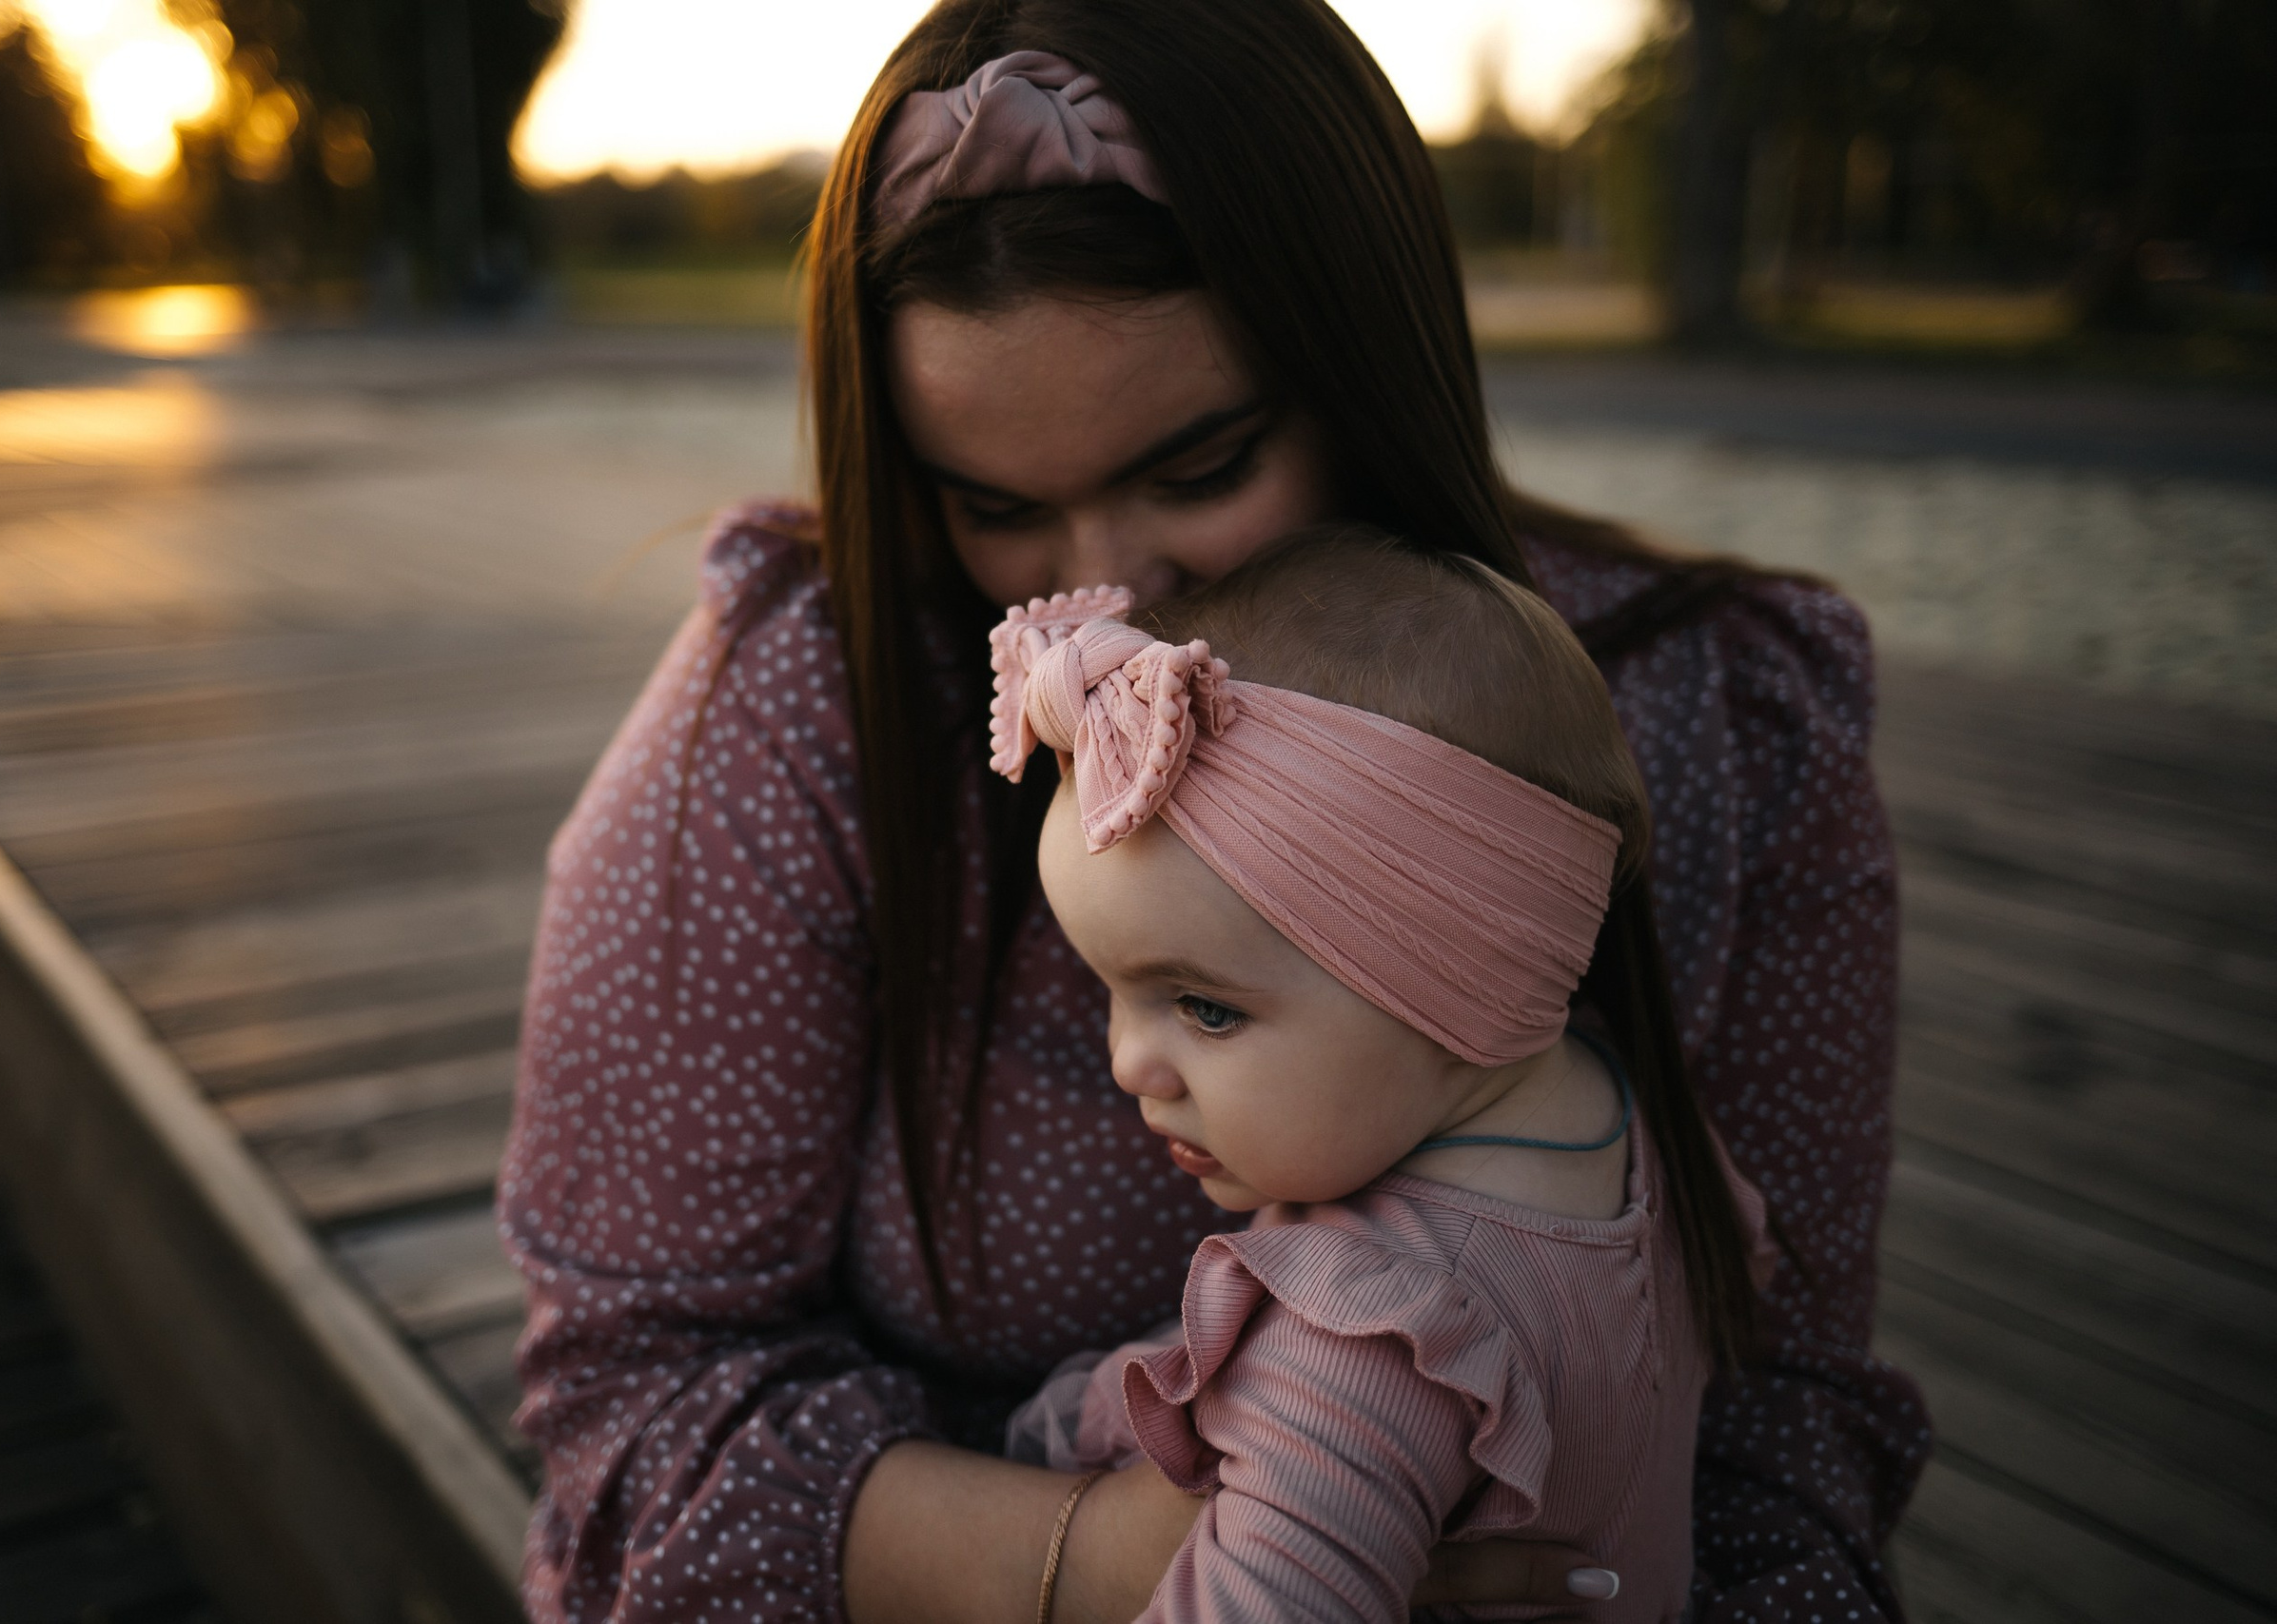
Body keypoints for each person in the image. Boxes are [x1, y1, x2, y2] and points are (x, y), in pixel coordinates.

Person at [497, 4, 1931, 1621]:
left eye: (1206, 462)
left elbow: (1781, 1429)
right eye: (995, 505)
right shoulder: (806, 712)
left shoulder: (1722, 716)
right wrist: (1130, 1561)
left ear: (1369, 363)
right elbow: (637, 1403)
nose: (1105, 589)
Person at [992, 531, 1778, 1624]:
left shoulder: (1366, 1345)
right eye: (1111, 989)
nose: (1128, 1062)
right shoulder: (1626, 1132)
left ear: (1458, 984)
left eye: (1204, 1006)